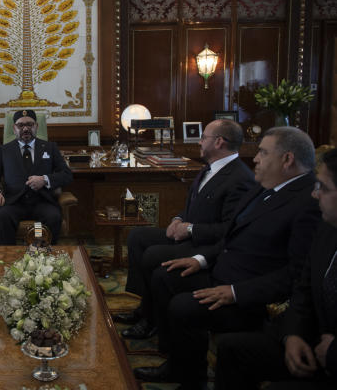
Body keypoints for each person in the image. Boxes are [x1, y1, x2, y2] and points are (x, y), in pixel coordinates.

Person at [133, 126, 322, 388]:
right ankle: (178, 364)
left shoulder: (308, 202)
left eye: (263, 153)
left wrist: (234, 292)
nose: (255, 158)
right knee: (165, 276)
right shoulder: (264, 187)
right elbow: (229, 237)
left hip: (250, 294)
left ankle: (190, 380)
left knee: (182, 306)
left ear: (287, 159)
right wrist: (200, 259)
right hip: (222, 269)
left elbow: (297, 274)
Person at [118, 119, 256, 339]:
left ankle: (152, 321)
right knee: (138, 236)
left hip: (205, 245)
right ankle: (146, 308)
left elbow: (229, 231)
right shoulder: (210, 167)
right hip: (187, 234)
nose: (199, 142)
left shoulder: (240, 179)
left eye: (204, 138)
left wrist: (190, 229)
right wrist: (177, 219)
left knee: (153, 255)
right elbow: (193, 205)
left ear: (219, 142)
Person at [214, 148, 337, 390]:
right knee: (232, 349)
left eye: (323, 187)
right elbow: (304, 290)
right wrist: (292, 334)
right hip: (308, 339)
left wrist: (332, 352)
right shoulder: (327, 229)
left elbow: (289, 277)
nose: (315, 194)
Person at [0, 109, 73, 244]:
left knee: (53, 217)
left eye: (30, 125)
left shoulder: (50, 148)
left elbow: (67, 175)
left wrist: (45, 179)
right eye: (20, 125)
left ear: (36, 126)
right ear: (14, 128)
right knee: (3, 216)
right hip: (14, 203)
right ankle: (8, 256)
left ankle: (40, 253)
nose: (25, 129)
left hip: (42, 202)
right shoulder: (4, 150)